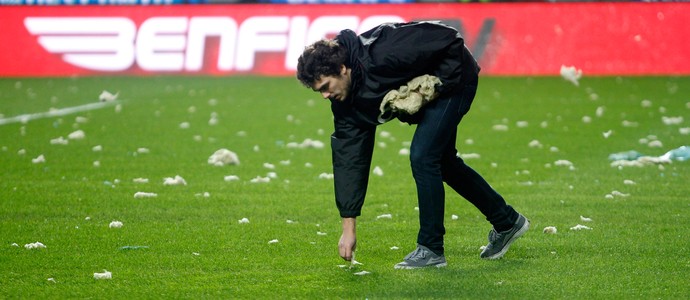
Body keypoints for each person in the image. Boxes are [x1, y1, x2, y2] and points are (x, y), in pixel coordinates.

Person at [296, 21, 529, 269]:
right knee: (444, 163)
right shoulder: (345, 103)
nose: (324, 95)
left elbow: (448, 38)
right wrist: (348, 227)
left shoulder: (384, 52)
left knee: (424, 156)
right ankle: (507, 222)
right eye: (318, 91)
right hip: (440, 88)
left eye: (325, 87)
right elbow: (349, 159)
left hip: (457, 77)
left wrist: (436, 86)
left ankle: (430, 249)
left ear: (342, 68)